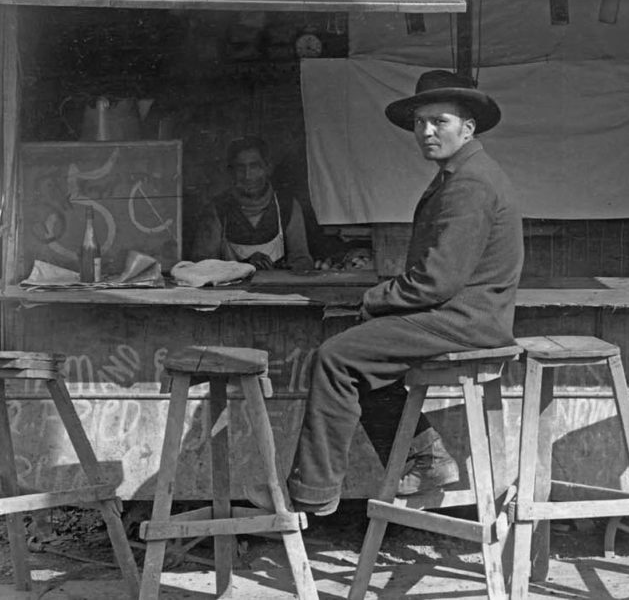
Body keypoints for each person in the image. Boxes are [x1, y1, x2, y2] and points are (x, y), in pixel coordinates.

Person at [268, 70, 524, 516]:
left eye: (438, 121)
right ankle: (425, 459)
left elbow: (434, 283)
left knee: (337, 356)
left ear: (468, 127)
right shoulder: (461, 174)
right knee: (354, 345)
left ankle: (311, 494)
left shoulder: (470, 184)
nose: (425, 131)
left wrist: (373, 299)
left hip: (467, 321)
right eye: (419, 122)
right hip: (465, 316)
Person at [191, 136, 318, 273]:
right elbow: (201, 265)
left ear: (267, 168)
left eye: (255, 166)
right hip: (229, 292)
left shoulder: (287, 206)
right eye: (240, 168)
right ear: (231, 172)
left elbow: (302, 259)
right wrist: (245, 266)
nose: (247, 176)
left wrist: (283, 268)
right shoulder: (217, 209)